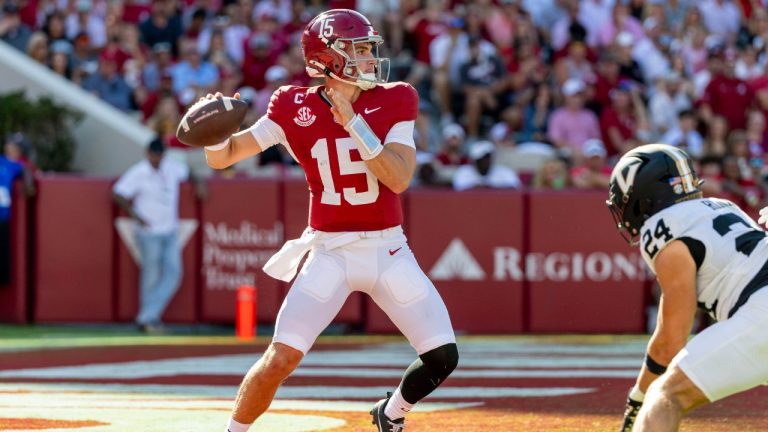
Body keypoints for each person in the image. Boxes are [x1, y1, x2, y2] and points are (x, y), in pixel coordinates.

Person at [199, 9, 458, 432]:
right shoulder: (291, 104)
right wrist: (212, 141)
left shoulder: (397, 97)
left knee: (443, 356)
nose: (371, 59)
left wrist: (352, 122)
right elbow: (227, 156)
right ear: (328, 59)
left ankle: (390, 414)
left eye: (369, 50)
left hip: (388, 247)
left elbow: (398, 177)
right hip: (329, 251)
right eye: (359, 50)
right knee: (280, 358)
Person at [607, 144, 768, 432]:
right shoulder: (724, 206)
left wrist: (639, 397)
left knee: (665, 395)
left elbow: (671, 338)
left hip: (762, 307)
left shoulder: (662, 227)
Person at [112, 138, 189, 333]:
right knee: (151, 276)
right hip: (148, 232)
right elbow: (118, 193)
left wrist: (198, 184)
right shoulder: (139, 171)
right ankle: (149, 319)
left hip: (169, 230)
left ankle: (147, 316)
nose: (157, 158)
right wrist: (136, 216)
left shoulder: (171, 167)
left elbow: (189, 173)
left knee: (174, 273)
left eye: (160, 154)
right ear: (148, 153)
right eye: (154, 154)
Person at [0, 133, 35, 286]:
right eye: (9, 144)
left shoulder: (17, 165)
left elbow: (27, 173)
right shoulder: (2, 160)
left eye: (13, 145)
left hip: (2, 216)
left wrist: (28, 185)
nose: (9, 147)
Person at [452, 141, 521, 191]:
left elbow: (515, 189)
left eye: (487, 157)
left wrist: (488, 188)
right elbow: (460, 191)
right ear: (474, 160)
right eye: (481, 158)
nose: (485, 161)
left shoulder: (505, 172)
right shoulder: (463, 172)